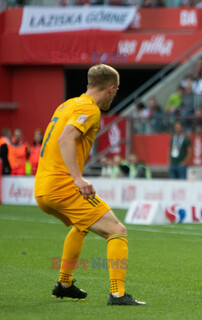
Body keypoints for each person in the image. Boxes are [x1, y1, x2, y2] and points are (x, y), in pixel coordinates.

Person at [34, 64, 145, 305]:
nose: (114, 96)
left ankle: (64, 283)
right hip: (63, 186)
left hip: (43, 187)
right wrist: (77, 178)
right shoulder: (90, 109)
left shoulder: (68, 104)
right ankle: (118, 294)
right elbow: (65, 139)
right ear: (110, 89)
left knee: (81, 225)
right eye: (115, 93)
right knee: (117, 231)